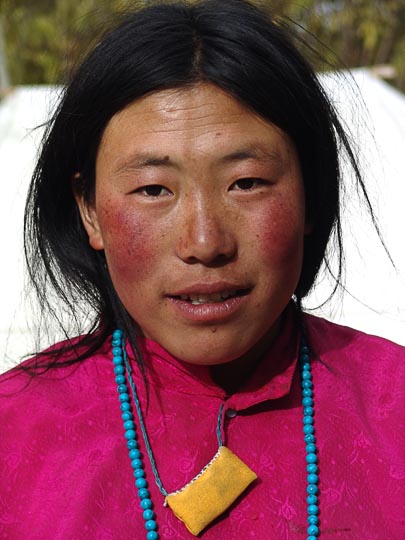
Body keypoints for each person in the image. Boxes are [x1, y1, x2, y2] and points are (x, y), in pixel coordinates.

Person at [0, 1, 404, 539]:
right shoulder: (15, 435)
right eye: (153, 190)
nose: (205, 242)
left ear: (310, 194)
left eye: (247, 182)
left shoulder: (392, 406)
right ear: (90, 211)